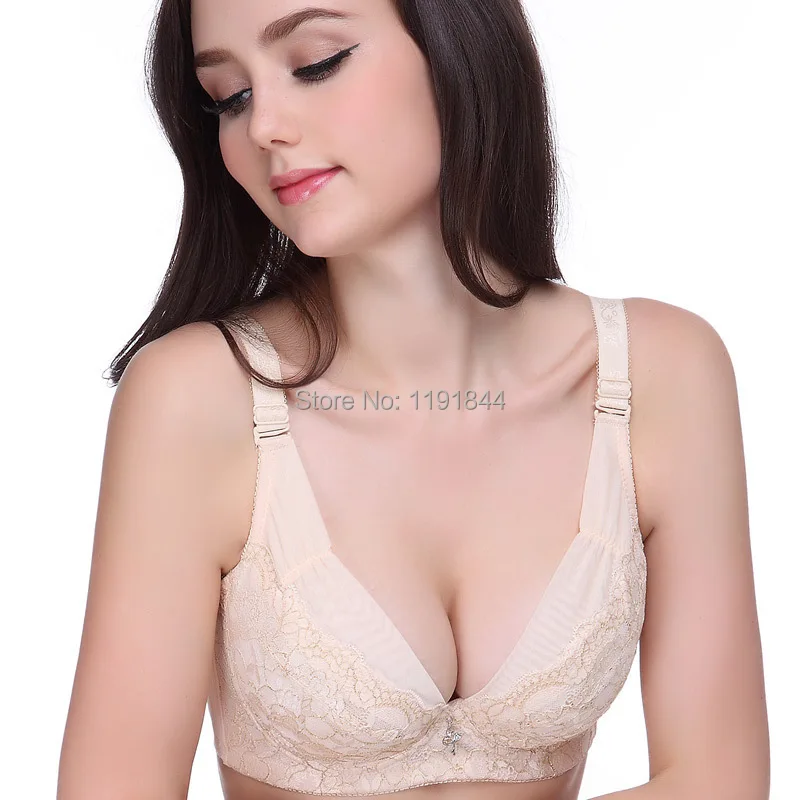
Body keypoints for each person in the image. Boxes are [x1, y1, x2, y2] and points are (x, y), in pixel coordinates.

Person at [57, 1, 770, 798]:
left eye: (316, 62)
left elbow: (721, 779)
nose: (263, 127)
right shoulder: (196, 400)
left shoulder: (658, 376)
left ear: (457, 43)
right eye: (230, 97)